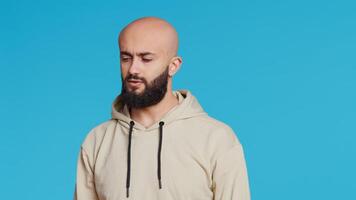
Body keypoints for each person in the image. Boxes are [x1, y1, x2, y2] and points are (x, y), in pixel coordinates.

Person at [73, 16, 250, 200]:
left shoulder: (216, 139)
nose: (133, 69)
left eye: (146, 59)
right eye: (126, 58)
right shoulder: (97, 141)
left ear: (173, 66)